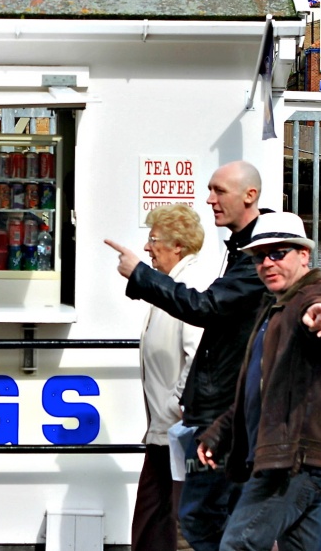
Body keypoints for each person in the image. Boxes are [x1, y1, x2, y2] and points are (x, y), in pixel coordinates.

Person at [105, 160, 269, 551]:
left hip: (191, 424)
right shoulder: (237, 254)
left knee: (195, 517)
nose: (209, 198)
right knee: (172, 515)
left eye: (218, 191)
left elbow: (202, 323)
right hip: (178, 425)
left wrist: (183, 406)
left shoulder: (236, 263)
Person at [196, 212, 321, 551]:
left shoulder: (312, 298)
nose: (267, 262)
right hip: (290, 457)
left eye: (278, 253)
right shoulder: (276, 307)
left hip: (292, 459)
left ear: (304, 255)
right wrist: (221, 432)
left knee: (238, 544)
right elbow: (260, 389)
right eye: (259, 256)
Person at [129, 204, 207, 551]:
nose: (147, 247)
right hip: (165, 430)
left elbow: (198, 352)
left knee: (170, 522)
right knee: (155, 521)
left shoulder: (189, 286)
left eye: (153, 239)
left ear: (177, 246)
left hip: (177, 430)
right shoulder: (174, 285)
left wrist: (178, 406)